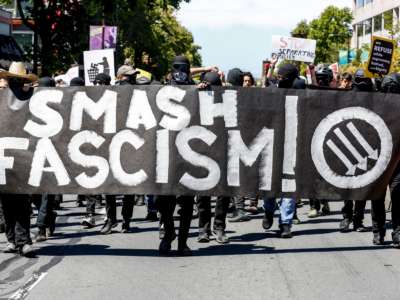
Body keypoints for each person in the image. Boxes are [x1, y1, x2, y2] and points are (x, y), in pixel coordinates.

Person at [262, 62, 306, 238]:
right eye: (278, 76)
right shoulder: (272, 92)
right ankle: (268, 210)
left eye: (283, 77)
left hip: (292, 146)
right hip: (272, 145)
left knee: (289, 184)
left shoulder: (301, 95)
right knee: (270, 184)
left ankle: (286, 222)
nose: (279, 80)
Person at [158, 55, 195, 256]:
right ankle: (169, 232)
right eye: (176, 68)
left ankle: (182, 242)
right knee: (164, 202)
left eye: (183, 68)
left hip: (190, 155)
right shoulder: (163, 89)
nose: (179, 71)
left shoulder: (196, 88)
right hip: (166, 154)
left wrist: (204, 92)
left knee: (187, 203)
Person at [0, 61, 38, 256]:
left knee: (19, 202)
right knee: (9, 202)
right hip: (5, 156)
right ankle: (14, 240)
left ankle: (21, 240)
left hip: (22, 155)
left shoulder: (31, 98)